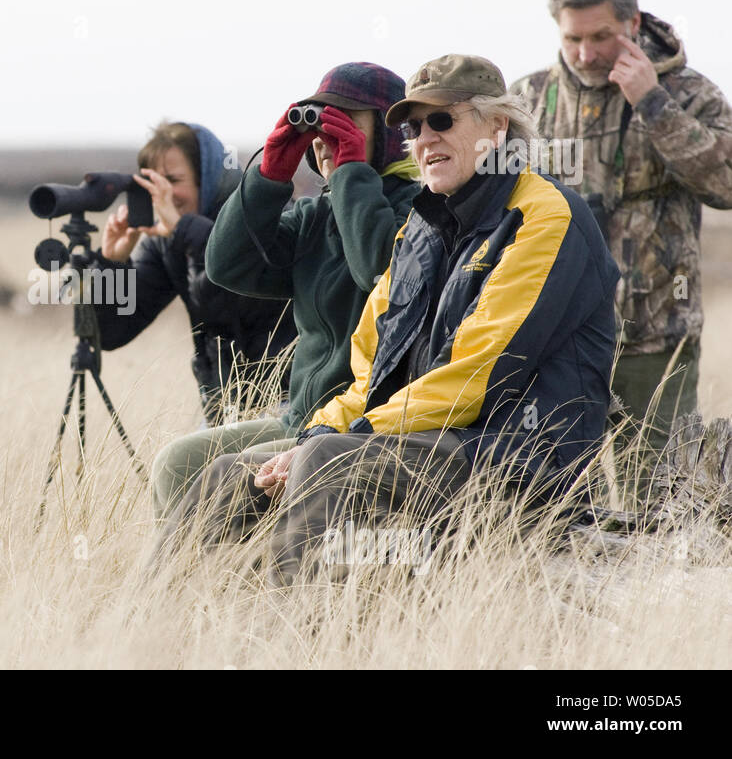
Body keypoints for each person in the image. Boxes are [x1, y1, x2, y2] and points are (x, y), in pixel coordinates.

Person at [153, 55, 620, 587]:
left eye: (441, 120)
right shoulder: (421, 230)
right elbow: (369, 374)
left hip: (514, 458)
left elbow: (476, 374)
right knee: (226, 476)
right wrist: (316, 432)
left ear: (497, 126)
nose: (424, 138)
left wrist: (338, 439)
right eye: (413, 126)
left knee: (327, 459)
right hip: (419, 442)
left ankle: (297, 643)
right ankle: (147, 635)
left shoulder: (543, 214)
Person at [146, 62, 419, 517]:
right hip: (301, 418)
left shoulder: (418, 210)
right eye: (321, 121)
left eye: (347, 122)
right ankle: (202, 584)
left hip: (359, 426)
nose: (327, 137)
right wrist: (270, 173)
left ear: (390, 132)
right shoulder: (316, 216)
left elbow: (379, 276)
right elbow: (227, 266)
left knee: (215, 472)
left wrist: (351, 173)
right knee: (178, 463)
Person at [511, 0, 732, 477]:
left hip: (652, 337)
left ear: (633, 24)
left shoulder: (688, 94)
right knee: (548, 504)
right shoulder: (526, 100)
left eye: (601, 36)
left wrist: (653, 104)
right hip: (551, 340)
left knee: (657, 503)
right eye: (572, 39)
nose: (585, 54)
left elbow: (725, 185)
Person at [93, 122, 296, 429]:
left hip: (294, 398)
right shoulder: (167, 240)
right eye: (153, 183)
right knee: (184, 471)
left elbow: (232, 301)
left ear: (208, 179)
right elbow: (110, 333)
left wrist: (183, 230)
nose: (163, 194)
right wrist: (111, 264)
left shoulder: (261, 215)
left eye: (173, 180)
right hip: (223, 408)